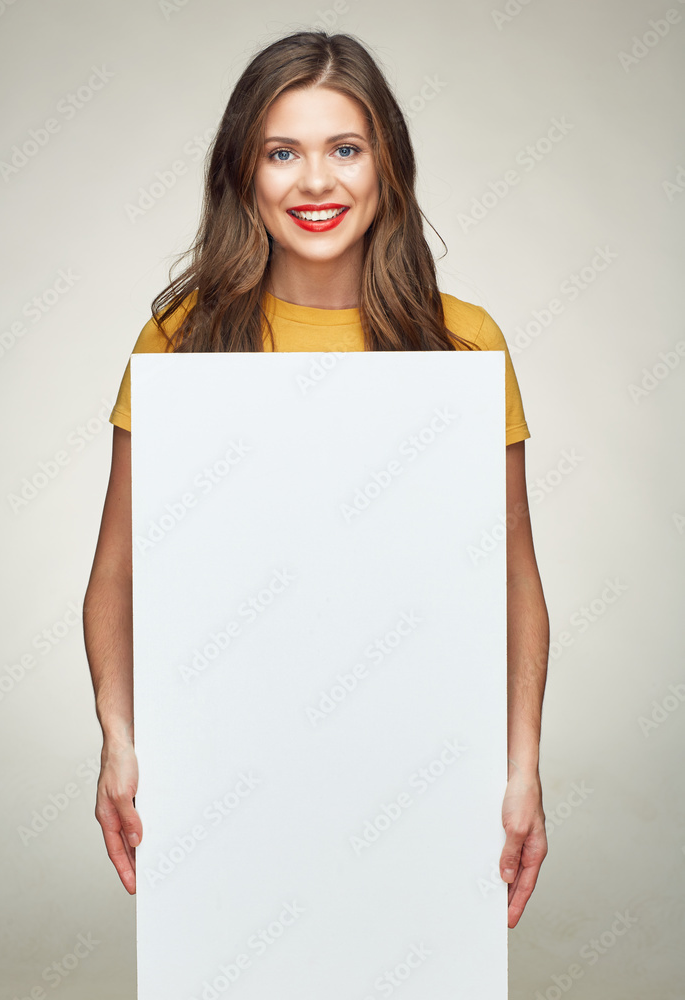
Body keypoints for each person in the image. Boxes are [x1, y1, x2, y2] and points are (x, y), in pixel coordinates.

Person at [83, 29, 549, 931]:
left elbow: (514, 576)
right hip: (223, 781)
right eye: (281, 152)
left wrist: (522, 764)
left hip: (420, 777)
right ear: (244, 174)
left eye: (344, 148)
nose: (315, 182)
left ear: (387, 166)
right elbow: (114, 571)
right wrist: (118, 738)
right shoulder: (179, 341)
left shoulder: (464, 344)